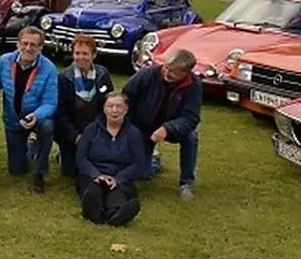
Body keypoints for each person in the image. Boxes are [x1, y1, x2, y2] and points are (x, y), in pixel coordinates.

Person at [123, 48, 201, 201]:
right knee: (143, 176)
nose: (166, 72)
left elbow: (191, 118)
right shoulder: (147, 75)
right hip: (142, 127)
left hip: (171, 128)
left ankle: (186, 183)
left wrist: (168, 128)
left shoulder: (194, 86)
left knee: (191, 137)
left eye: (172, 71)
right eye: (165, 67)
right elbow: (125, 98)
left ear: (185, 73)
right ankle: (154, 160)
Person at [0, 27, 58, 194]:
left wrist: (35, 116)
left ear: (41, 48)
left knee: (47, 127)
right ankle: (32, 145)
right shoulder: (5, 60)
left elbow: (50, 102)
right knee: (17, 170)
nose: (28, 48)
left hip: (36, 118)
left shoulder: (49, 69)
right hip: (13, 119)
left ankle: (40, 173)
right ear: (18, 44)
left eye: (33, 45)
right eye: (25, 43)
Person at [76, 92, 145, 226]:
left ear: (126, 110)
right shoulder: (92, 129)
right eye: (110, 106)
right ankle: (94, 213)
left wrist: (118, 178)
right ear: (104, 109)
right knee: (93, 191)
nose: (114, 110)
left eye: (118, 106)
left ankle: (117, 215)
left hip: (120, 176)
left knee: (117, 194)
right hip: (93, 175)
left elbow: (138, 163)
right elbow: (81, 157)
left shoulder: (133, 133)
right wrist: (96, 175)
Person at [54, 33, 115, 176]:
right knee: (70, 172)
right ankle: (64, 152)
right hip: (72, 132)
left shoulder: (102, 74)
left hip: (95, 129)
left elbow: (108, 106)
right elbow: (60, 113)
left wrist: (96, 132)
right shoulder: (63, 77)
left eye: (85, 53)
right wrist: (75, 137)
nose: (81, 57)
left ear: (94, 55)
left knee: (100, 167)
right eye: (77, 53)